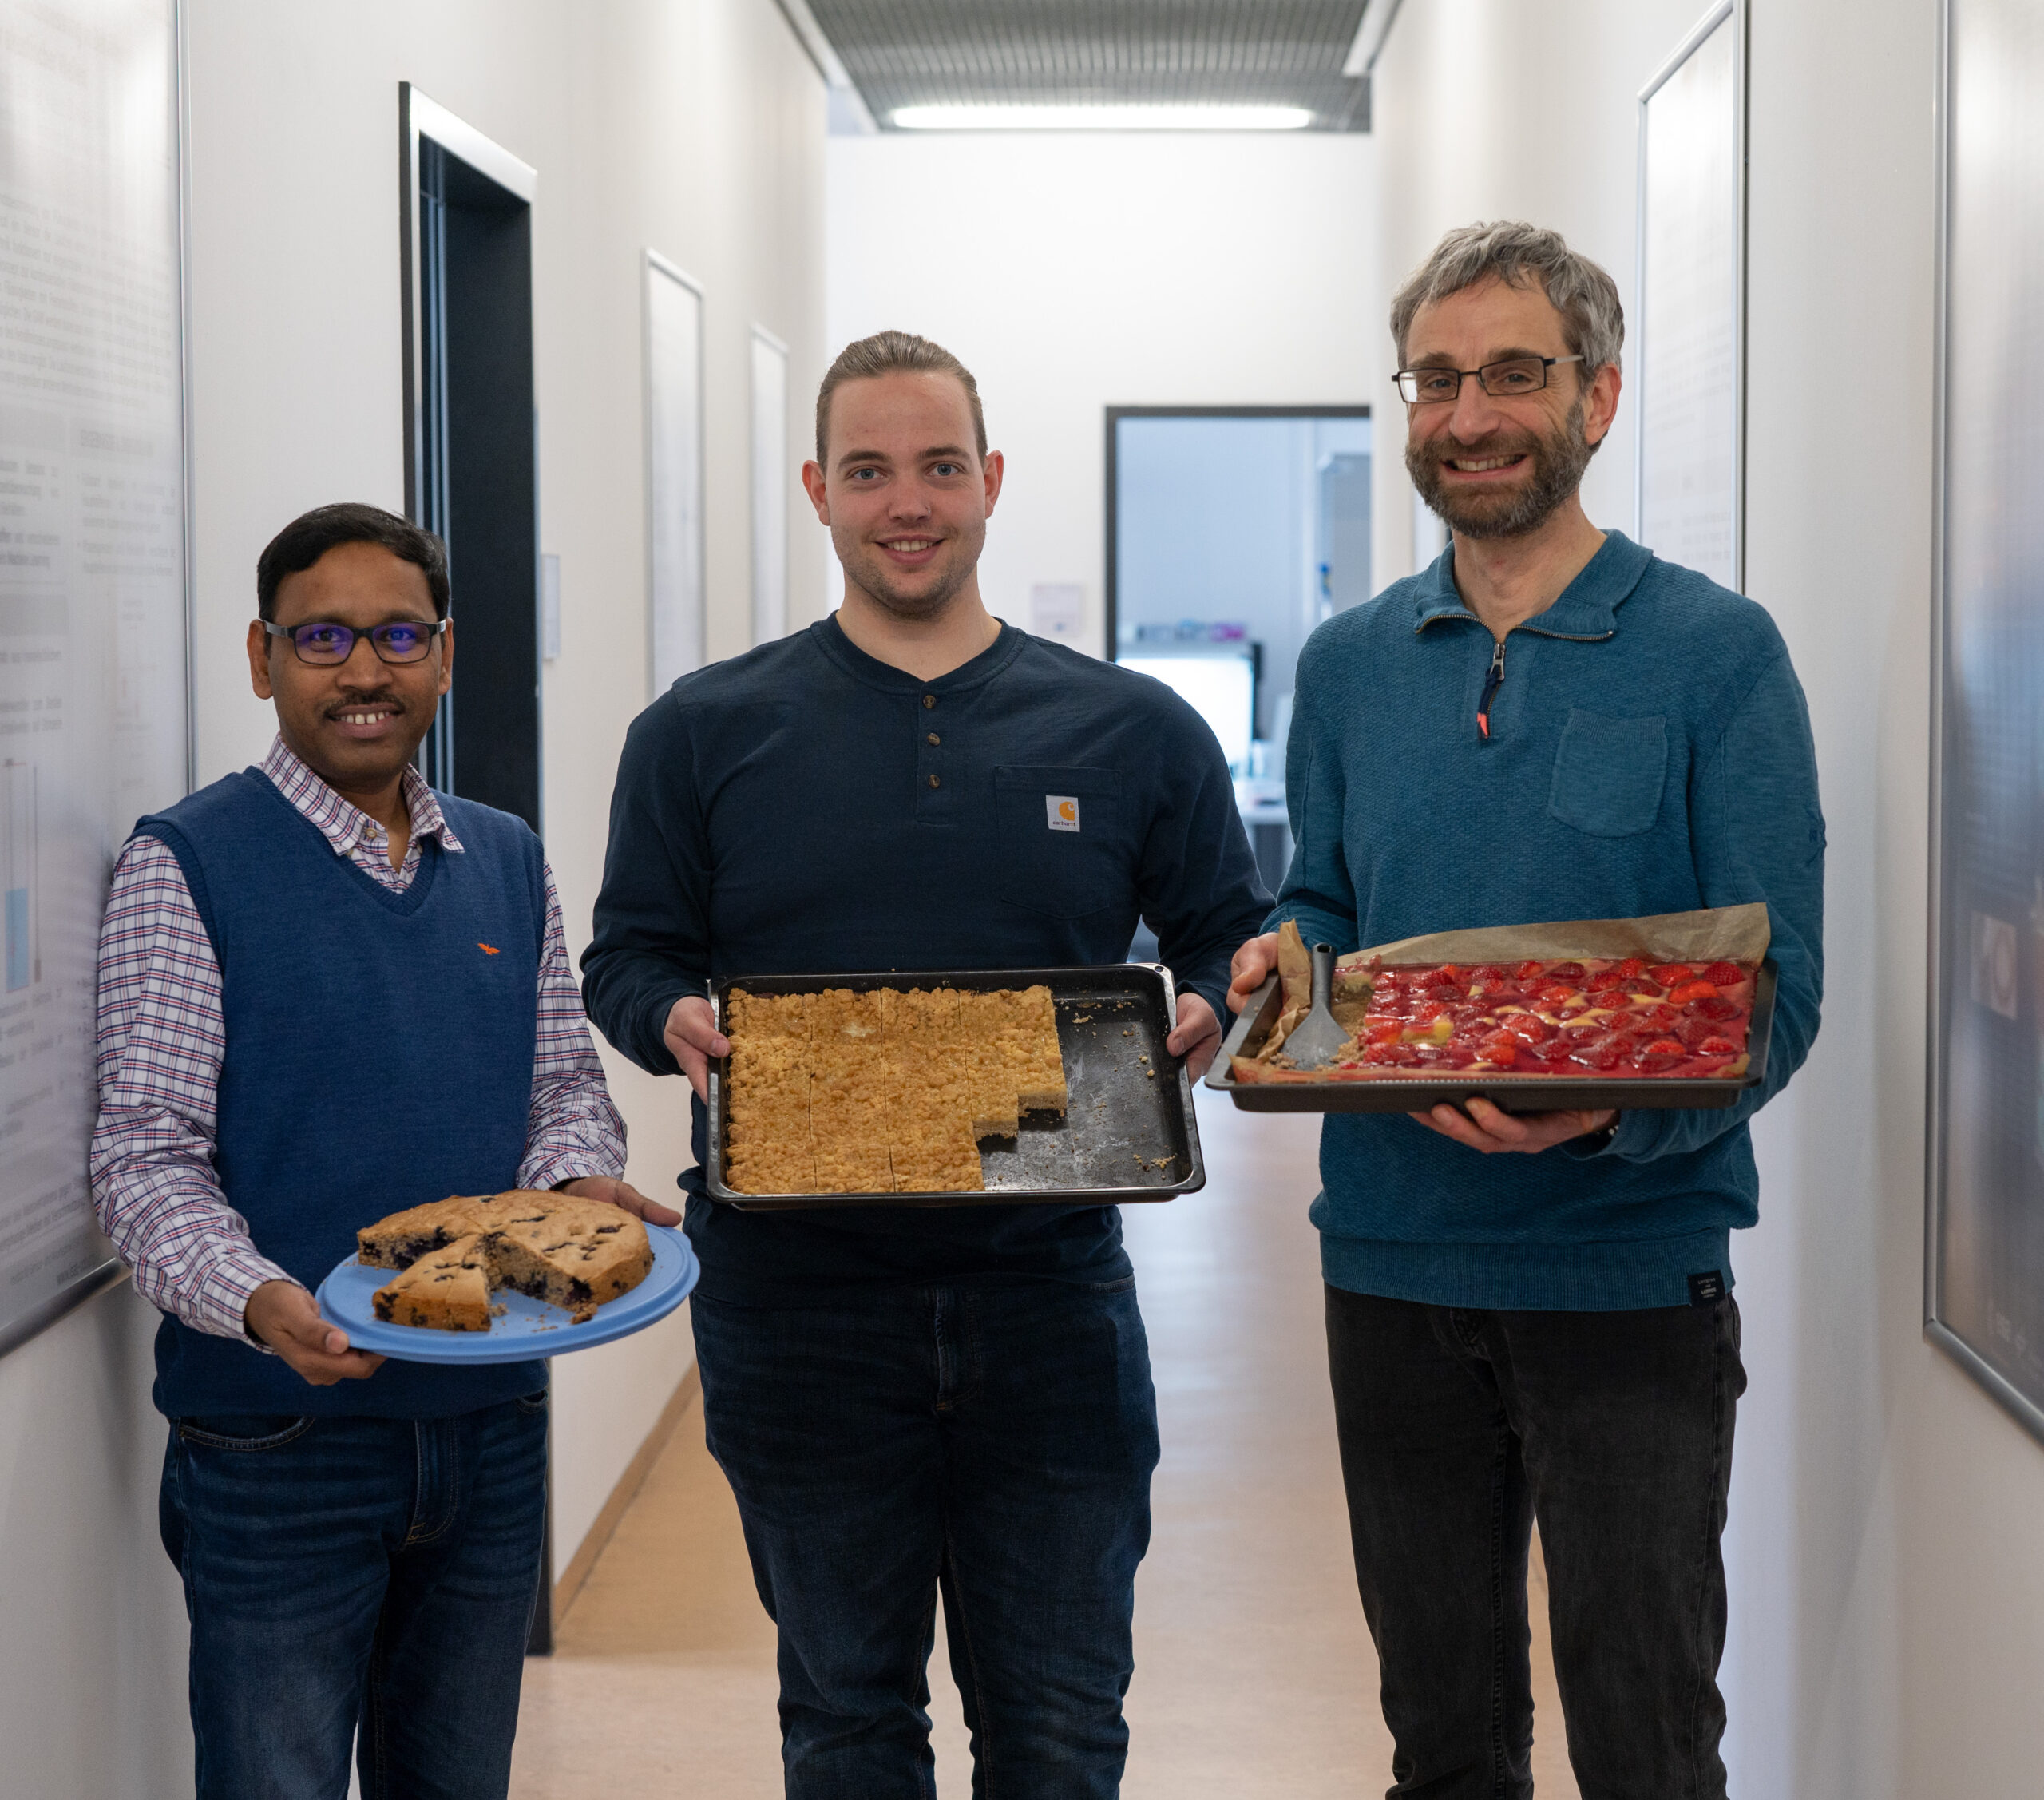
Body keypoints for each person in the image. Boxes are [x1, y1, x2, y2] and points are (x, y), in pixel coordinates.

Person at [582, 331, 1270, 1797]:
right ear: (820, 489)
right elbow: (627, 955)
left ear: (992, 482)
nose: (911, 502)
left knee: (1064, 1729)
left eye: (942, 467)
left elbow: (1232, 936)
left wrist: (1209, 1008)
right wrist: (672, 1020)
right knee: (845, 1718)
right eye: (875, 471)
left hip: (1053, 1287)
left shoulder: (1134, 729)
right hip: (795, 1302)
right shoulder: (702, 731)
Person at [1227, 223, 1824, 1798]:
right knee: (1441, 1738)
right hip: (1388, 1268)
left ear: (1596, 396)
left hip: (1625, 1279)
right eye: (1434, 377)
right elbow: (1328, 917)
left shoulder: (1713, 654)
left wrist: (1612, 1104)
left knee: (1642, 1735)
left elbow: (1777, 986)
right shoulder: (1350, 664)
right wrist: (1280, 962)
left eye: (1510, 372)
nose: (1468, 412)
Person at [91, 502, 679, 1800]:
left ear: (447, 654)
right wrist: (263, 1303)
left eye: (400, 633)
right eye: (324, 637)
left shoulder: (507, 859)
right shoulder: (187, 863)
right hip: (279, 1440)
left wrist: (580, 1177)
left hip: (488, 1425)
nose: (365, 669)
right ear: (262, 658)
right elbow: (143, 1160)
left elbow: (561, 1091)